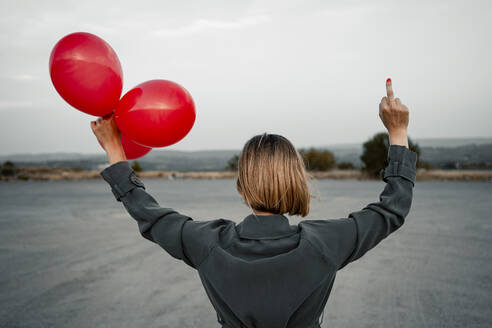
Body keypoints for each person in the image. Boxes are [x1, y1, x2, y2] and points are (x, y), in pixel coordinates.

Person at [91, 79, 417, 328]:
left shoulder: (206, 242)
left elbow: (151, 216)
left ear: (241, 184)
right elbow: (392, 209)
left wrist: (115, 153)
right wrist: (398, 132)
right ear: (296, 180)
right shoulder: (326, 243)